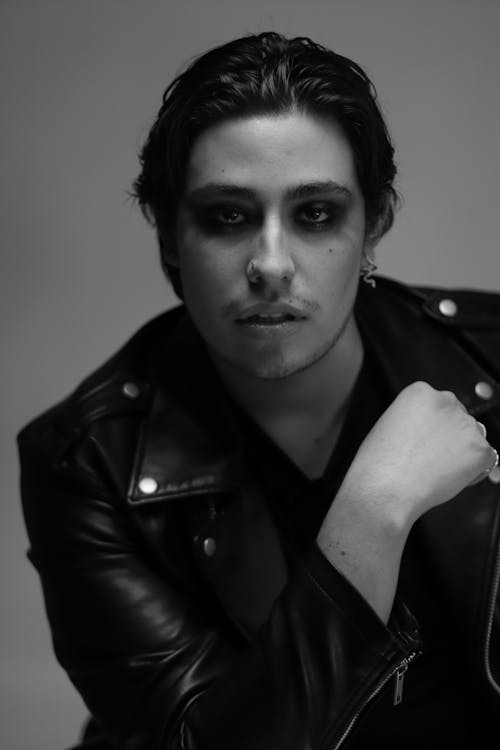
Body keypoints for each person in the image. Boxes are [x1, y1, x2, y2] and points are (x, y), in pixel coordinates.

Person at [18, 31, 500, 750]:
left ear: (373, 227)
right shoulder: (87, 463)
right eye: (227, 216)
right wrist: (372, 511)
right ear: (169, 236)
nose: (270, 265)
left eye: (315, 214)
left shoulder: (490, 359)